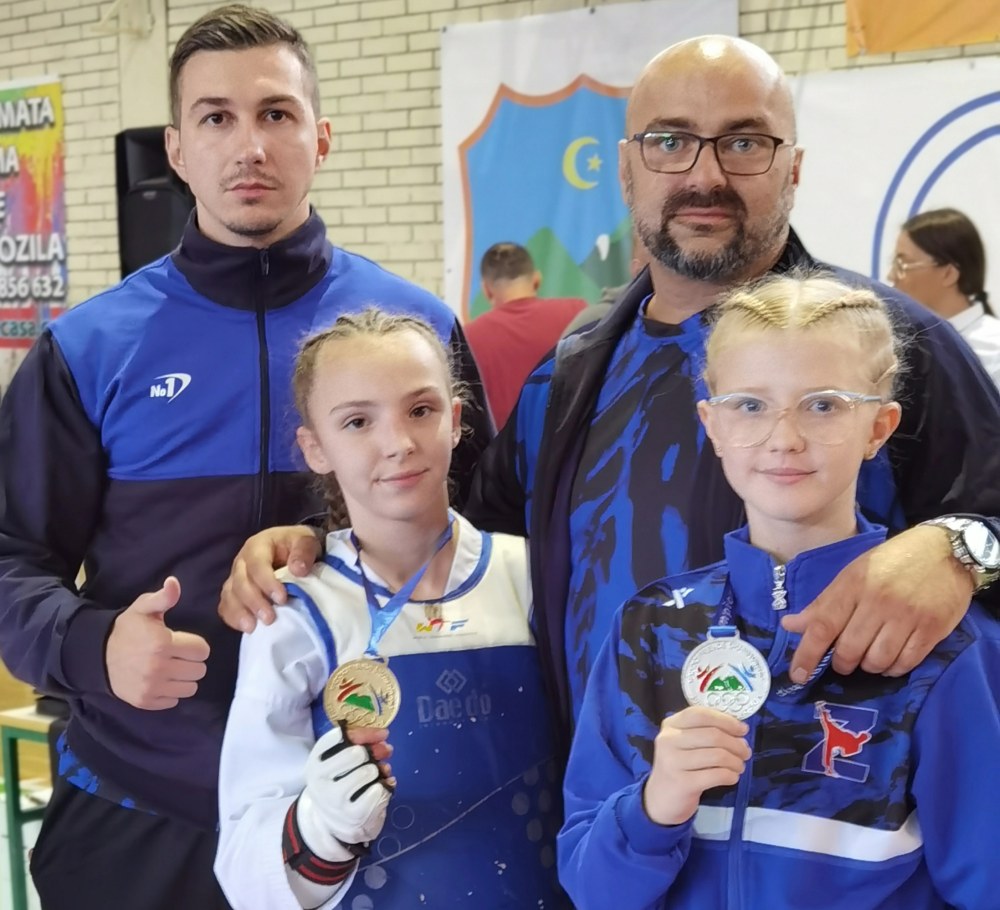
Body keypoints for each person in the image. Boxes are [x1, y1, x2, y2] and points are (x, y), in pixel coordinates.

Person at [219, 36, 1000, 769]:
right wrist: (325, 551)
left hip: (813, 818)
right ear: (627, 169)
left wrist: (963, 547)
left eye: (744, 142)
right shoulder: (568, 375)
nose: (704, 174)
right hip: (604, 817)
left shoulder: (894, 348)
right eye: (669, 140)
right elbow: (461, 547)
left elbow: (988, 512)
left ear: (793, 167)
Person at [0, 6, 490, 908]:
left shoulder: (414, 331)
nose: (249, 146)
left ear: (321, 138)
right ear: (178, 150)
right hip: (141, 807)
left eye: (276, 114)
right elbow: (10, 558)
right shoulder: (89, 348)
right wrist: (93, 645)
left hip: (370, 798)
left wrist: (326, 543)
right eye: (217, 118)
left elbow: (481, 538)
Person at [557, 273, 1000, 909]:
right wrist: (654, 808)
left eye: (823, 405)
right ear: (711, 423)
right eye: (750, 405)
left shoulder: (939, 641)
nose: (784, 438)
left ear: (879, 427)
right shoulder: (649, 628)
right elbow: (592, 890)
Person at [215, 308, 564, 909]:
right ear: (315, 448)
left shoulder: (531, 575)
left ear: (456, 421)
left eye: (420, 410)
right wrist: (318, 831)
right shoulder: (297, 610)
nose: (398, 443)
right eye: (357, 421)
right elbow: (247, 871)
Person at [465, 242, 586, 426]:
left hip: (506, 443)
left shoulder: (469, 337)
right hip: (573, 439)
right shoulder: (578, 313)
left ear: (486, 290)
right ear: (537, 280)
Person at [889, 207, 1000, 384]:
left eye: (903, 265)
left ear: (949, 274)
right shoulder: (899, 345)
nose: (891, 276)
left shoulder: (993, 351)